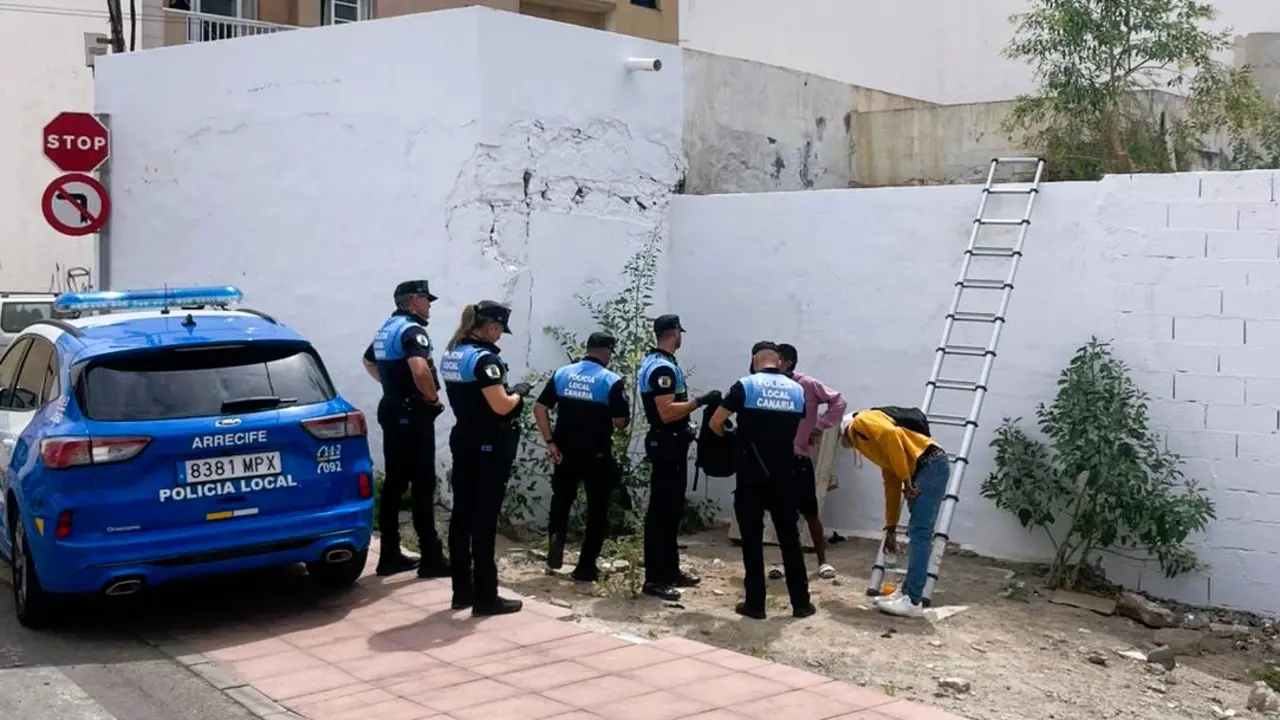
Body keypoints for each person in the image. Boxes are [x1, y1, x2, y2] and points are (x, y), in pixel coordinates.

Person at [709, 341, 816, 620]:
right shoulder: (797, 390)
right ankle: (801, 603)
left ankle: (755, 604)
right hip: (784, 474)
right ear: (780, 361)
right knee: (789, 540)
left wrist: (730, 439)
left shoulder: (745, 386)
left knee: (752, 541)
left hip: (751, 474)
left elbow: (716, 422)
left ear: (755, 360)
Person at [439, 301, 533, 616]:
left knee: (462, 516)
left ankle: (461, 592)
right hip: (487, 444)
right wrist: (520, 391)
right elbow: (502, 406)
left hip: (463, 437)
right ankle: (485, 596)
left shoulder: (451, 354)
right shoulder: (484, 361)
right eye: (499, 330)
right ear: (490, 327)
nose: (500, 337)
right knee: (483, 519)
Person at [361, 280, 450, 578]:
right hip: (413, 414)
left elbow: (368, 361)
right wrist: (431, 397)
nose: (429, 306)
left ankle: (389, 555)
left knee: (396, 484)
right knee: (423, 485)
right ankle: (431, 557)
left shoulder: (387, 328)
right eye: (427, 300)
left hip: (392, 408)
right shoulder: (412, 330)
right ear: (414, 300)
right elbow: (420, 368)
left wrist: (392, 387)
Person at [533, 332, 630, 583]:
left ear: (588, 348)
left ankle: (556, 537)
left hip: (564, 450)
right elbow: (620, 423)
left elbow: (539, 407)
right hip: (596, 454)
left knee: (562, 498)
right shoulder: (610, 380)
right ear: (608, 351)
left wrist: (550, 442)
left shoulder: (563, 374)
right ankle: (586, 567)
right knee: (597, 509)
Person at [637, 314, 720, 601]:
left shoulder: (658, 362)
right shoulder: (662, 368)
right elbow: (666, 411)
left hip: (671, 442)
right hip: (666, 442)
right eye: (679, 333)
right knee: (662, 512)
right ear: (673, 333)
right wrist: (700, 401)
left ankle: (670, 570)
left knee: (671, 510)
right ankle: (655, 579)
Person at [840, 407, 949, 618]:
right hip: (926, 467)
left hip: (929, 465)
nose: (856, 447)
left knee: (920, 533)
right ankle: (907, 592)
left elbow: (892, 434)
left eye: (851, 442)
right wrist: (890, 526)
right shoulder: (888, 452)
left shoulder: (861, 421)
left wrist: (906, 479)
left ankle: (913, 600)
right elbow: (891, 486)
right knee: (917, 533)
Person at [771, 342, 846, 580]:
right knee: (783, 514)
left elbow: (838, 401)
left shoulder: (807, 384)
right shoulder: (769, 385)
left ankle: (823, 561)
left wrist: (819, 426)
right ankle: (785, 561)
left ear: (788, 362)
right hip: (776, 459)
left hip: (799, 457)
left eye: (777, 359)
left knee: (810, 511)